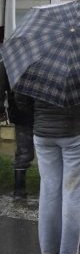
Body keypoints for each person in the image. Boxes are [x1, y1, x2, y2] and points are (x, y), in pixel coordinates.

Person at [19, 93, 80, 254]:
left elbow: (23, 102)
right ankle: (68, 252)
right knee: (72, 191)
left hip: (44, 133)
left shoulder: (35, 67)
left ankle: (48, 251)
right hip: (77, 132)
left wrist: (41, 113)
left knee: (49, 190)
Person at [0, 58, 35, 200]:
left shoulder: (9, 60)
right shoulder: (43, 58)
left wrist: (2, 108)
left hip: (21, 113)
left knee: (24, 150)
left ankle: (19, 190)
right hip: (43, 112)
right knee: (50, 152)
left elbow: (1, 87)